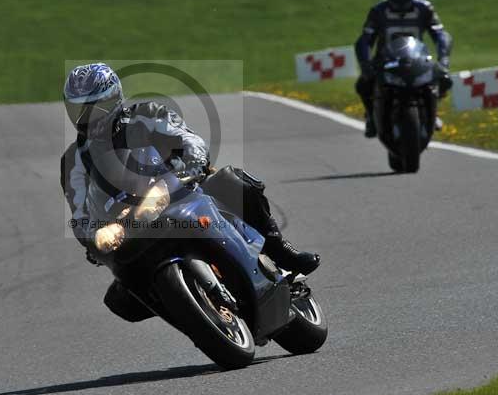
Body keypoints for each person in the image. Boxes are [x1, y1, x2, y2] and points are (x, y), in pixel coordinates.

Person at [59, 63, 320, 321]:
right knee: (119, 301)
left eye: (94, 108)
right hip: (131, 224)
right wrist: (92, 238)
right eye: (79, 110)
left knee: (233, 180)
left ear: (114, 99)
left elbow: (189, 140)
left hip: (180, 188)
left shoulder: (147, 114)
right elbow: (79, 209)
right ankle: (184, 306)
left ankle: (280, 251)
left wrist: (190, 167)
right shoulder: (73, 160)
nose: (86, 118)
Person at [355, 0, 453, 138]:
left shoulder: (425, 8)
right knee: (363, 85)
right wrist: (365, 64)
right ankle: (371, 117)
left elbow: (441, 34)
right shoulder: (378, 11)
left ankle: (433, 112)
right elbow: (365, 39)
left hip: (417, 59)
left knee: (444, 79)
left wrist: (443, 59)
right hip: (386, 61)